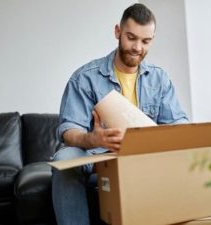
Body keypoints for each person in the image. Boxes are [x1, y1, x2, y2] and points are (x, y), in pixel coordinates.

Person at [51, 3, 188, 225]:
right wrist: (92, 138)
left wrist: (171, 136)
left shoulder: (159, 79)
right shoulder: (85, 78)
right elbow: (69, 129)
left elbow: (178, 123)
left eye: (146, 41)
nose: (137, 47)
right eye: (131, 38)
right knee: (64, 160)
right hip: (97, 155)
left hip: (142, 156)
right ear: (118, 32)